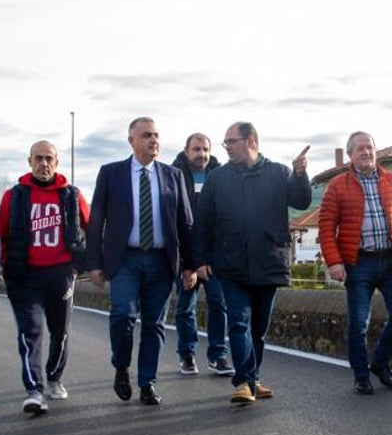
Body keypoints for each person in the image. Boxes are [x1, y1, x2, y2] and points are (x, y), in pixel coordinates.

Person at [193, 122, 311, 406]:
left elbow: (301, 200)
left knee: (258, 327)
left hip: (269, 261)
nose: (227, 148)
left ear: (251, 141)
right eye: (225, 143)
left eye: (231, 142)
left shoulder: (279, 172)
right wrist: (200, 260)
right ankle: (243, 381)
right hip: (230, 264)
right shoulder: (217, 178)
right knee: (238, 322)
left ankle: (253, 379)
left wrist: (300, 174)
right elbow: (202, 223)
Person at [86, 117, 196, 407]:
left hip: (161, 261)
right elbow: (96, 220)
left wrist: (190, 265)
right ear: (131, 140)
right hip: (125, 259)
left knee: (154, 324)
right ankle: (121, 366)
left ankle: (147, 382)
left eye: (157, 135)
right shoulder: (111, 173)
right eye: (146, 135)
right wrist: (94, 263)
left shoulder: (172, 176)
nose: (153, 140)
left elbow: (185, 224)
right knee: (122, 314)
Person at [319, 131, 392, 395]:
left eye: (370, 148)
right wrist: (334, 262)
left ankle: (380, 363)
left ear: (376, 151)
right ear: (350, 155)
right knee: (358, 323)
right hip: (358, 263)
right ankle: (361, 375)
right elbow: (326, 227)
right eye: (360, 149)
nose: (366, 152)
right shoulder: (337, 185)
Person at [0, 140, 90, 414]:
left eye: (49, 158)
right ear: (29, 161)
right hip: (24, 276)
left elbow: (90, 227)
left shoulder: (72, 195)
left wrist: (84, 264)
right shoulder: (14, 196)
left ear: (57, 162)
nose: (44, 163)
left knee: (59, 333)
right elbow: (1, 234)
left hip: (60, 275)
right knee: (30, 332)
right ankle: (34, 390)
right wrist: (1, 268)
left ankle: (54, 377)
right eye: (38, 158)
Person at [170, 133, 232, 377]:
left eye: (205, 149)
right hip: (186, 253)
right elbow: (174, 220)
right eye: (196, 149)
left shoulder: (220, 175)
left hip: (214, 255)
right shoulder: (174, 175)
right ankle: (187, 354)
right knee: (186, 307)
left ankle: (218, 355)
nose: (201, 154)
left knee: (219, 303)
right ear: (186, 151)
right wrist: (187, 262)